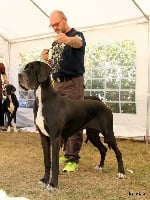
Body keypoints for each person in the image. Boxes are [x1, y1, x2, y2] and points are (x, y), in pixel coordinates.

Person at [40, 10, 86, 172]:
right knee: (57, 120)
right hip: (57, 84)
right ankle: (65, 153)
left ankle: (72, 158)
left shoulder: (76, 35)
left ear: (65, 19)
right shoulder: (55, 41)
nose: (54, 27)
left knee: (74, 119)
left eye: (56, 24)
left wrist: (67, 39)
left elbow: (78, 43)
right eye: (51, 25)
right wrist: (47, 59)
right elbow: (57, 64)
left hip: (73, 83)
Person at [0, 61, 9, 127]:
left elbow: (3, 74)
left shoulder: (1, 65)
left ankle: (1, 125)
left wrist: (6, 81)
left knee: (0, 107)